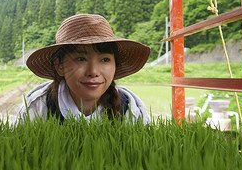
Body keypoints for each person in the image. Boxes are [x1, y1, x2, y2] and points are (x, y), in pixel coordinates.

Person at [16, 14, 151, 124]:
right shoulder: (38, 108)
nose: (93, 72)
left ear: (115, 65)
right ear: (59, 66)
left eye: (105, 60)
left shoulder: (131, 110)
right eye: (81, 59)